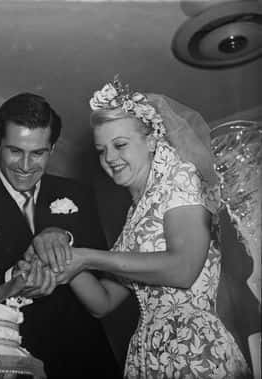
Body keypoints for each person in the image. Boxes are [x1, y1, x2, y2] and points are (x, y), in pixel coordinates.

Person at [23, 79, 252, 378]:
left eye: (120, 145)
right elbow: (103, 301)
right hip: (147, 354)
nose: (109, 159)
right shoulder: (135, 215)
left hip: (193, 350)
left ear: (153, 140)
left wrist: (88, 257)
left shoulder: (180, 179)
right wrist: (62, 259)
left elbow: (183, 269)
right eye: (101, 150)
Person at [0, 93, 120, 378]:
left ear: (52, 148)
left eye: (38, 153)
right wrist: (8, 285)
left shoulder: (78, 194)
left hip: (86, 359)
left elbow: (106, 279)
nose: (25, 166)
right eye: (15, 151)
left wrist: (65, 236)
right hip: (11, 360)